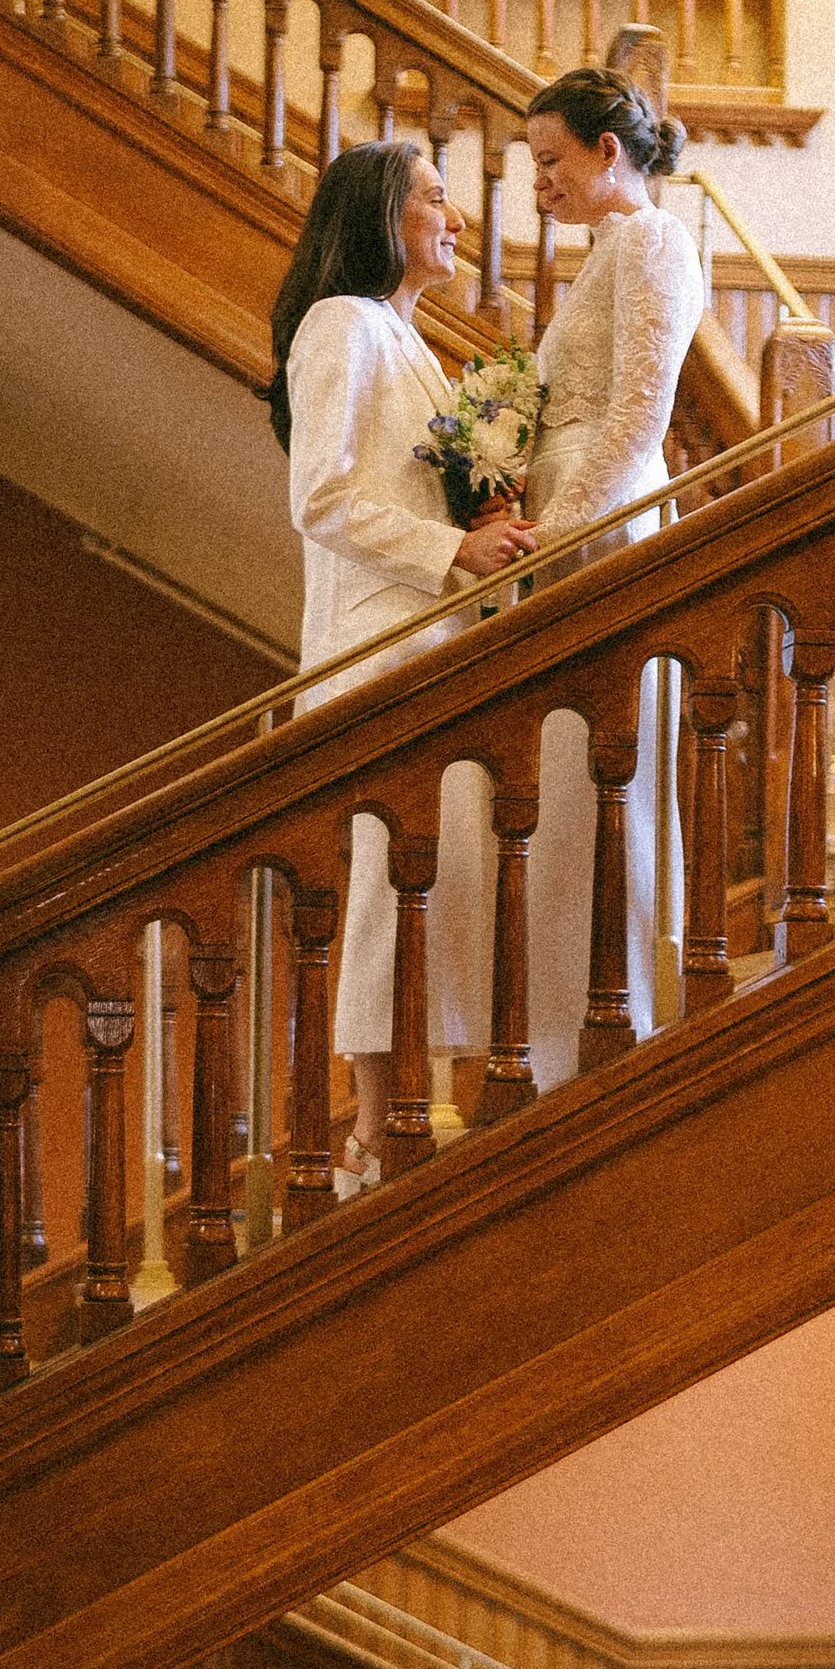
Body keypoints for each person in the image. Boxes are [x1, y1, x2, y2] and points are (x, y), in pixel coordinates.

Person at [268, 141, 534, 1191]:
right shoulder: (342, 326)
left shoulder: (414, 345)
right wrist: (448, 549)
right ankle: (375, 1127)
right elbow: (318, 497)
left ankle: (418, 1105)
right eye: (434, 196)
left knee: (440, 880)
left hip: (437, 643)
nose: (456, 216)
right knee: (389, 884)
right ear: (379, 214)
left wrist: (489, 523)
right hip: (379, 645)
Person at [520, 65, 705, 1085]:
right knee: (563, 782)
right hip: (568, 527)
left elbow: (639, 410)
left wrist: (556, 536)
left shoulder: (652, 241)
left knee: (606, 779)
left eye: (551, 161)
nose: (538, 183)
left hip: (602, 533)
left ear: (606, 150)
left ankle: (613, 1020)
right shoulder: (605, 253)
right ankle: (561, 1033)